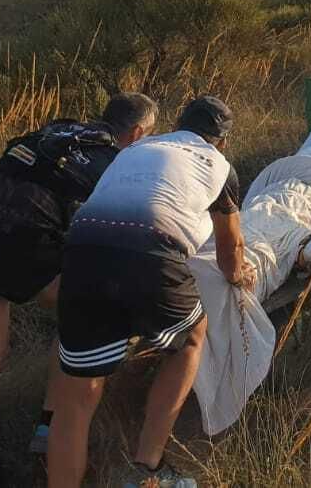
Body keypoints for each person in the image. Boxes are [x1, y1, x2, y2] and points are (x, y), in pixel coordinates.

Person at [0, 93, 157, 488]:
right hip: (19, 242)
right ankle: (49, 429)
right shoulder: (116, 161)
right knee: (85, 313)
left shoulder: (57, 128)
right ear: (139, 132)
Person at [46, 97, 250, 488]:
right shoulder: (219, 165)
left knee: (77, 397)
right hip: (151, 249)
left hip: (82, 251)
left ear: (177, 124)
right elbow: (231, 250)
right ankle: (148, 467)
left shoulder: (135, 148)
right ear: (220, 141)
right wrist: (239, 276)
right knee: (192, 338)